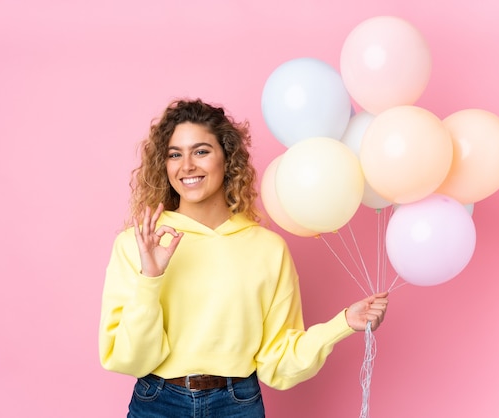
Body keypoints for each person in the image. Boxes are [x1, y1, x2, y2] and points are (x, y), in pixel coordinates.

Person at [98, 98, 389, 417]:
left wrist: (343, 323)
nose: (187, 166)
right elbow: (130, 359)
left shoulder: (267, 248)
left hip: (237, 404)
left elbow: (277, 361)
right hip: (158, 402)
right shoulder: (138, 243)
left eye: (201, 151)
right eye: (174, 154)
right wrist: (150, 280)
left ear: (227, 158)